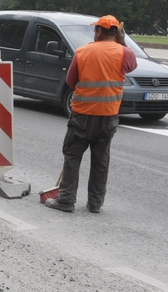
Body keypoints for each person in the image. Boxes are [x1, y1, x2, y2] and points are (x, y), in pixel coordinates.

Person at [45, 15, 137, 213]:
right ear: (116, 33)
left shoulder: (83, 51)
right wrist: (121, 43)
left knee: (72, 156)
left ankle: (66, 200)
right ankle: (95, 203)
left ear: (98, 31)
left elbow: (71, 81)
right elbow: (131, 65)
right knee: (100, 161)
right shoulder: (125, 53)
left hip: (83, 115)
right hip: (108, 117)